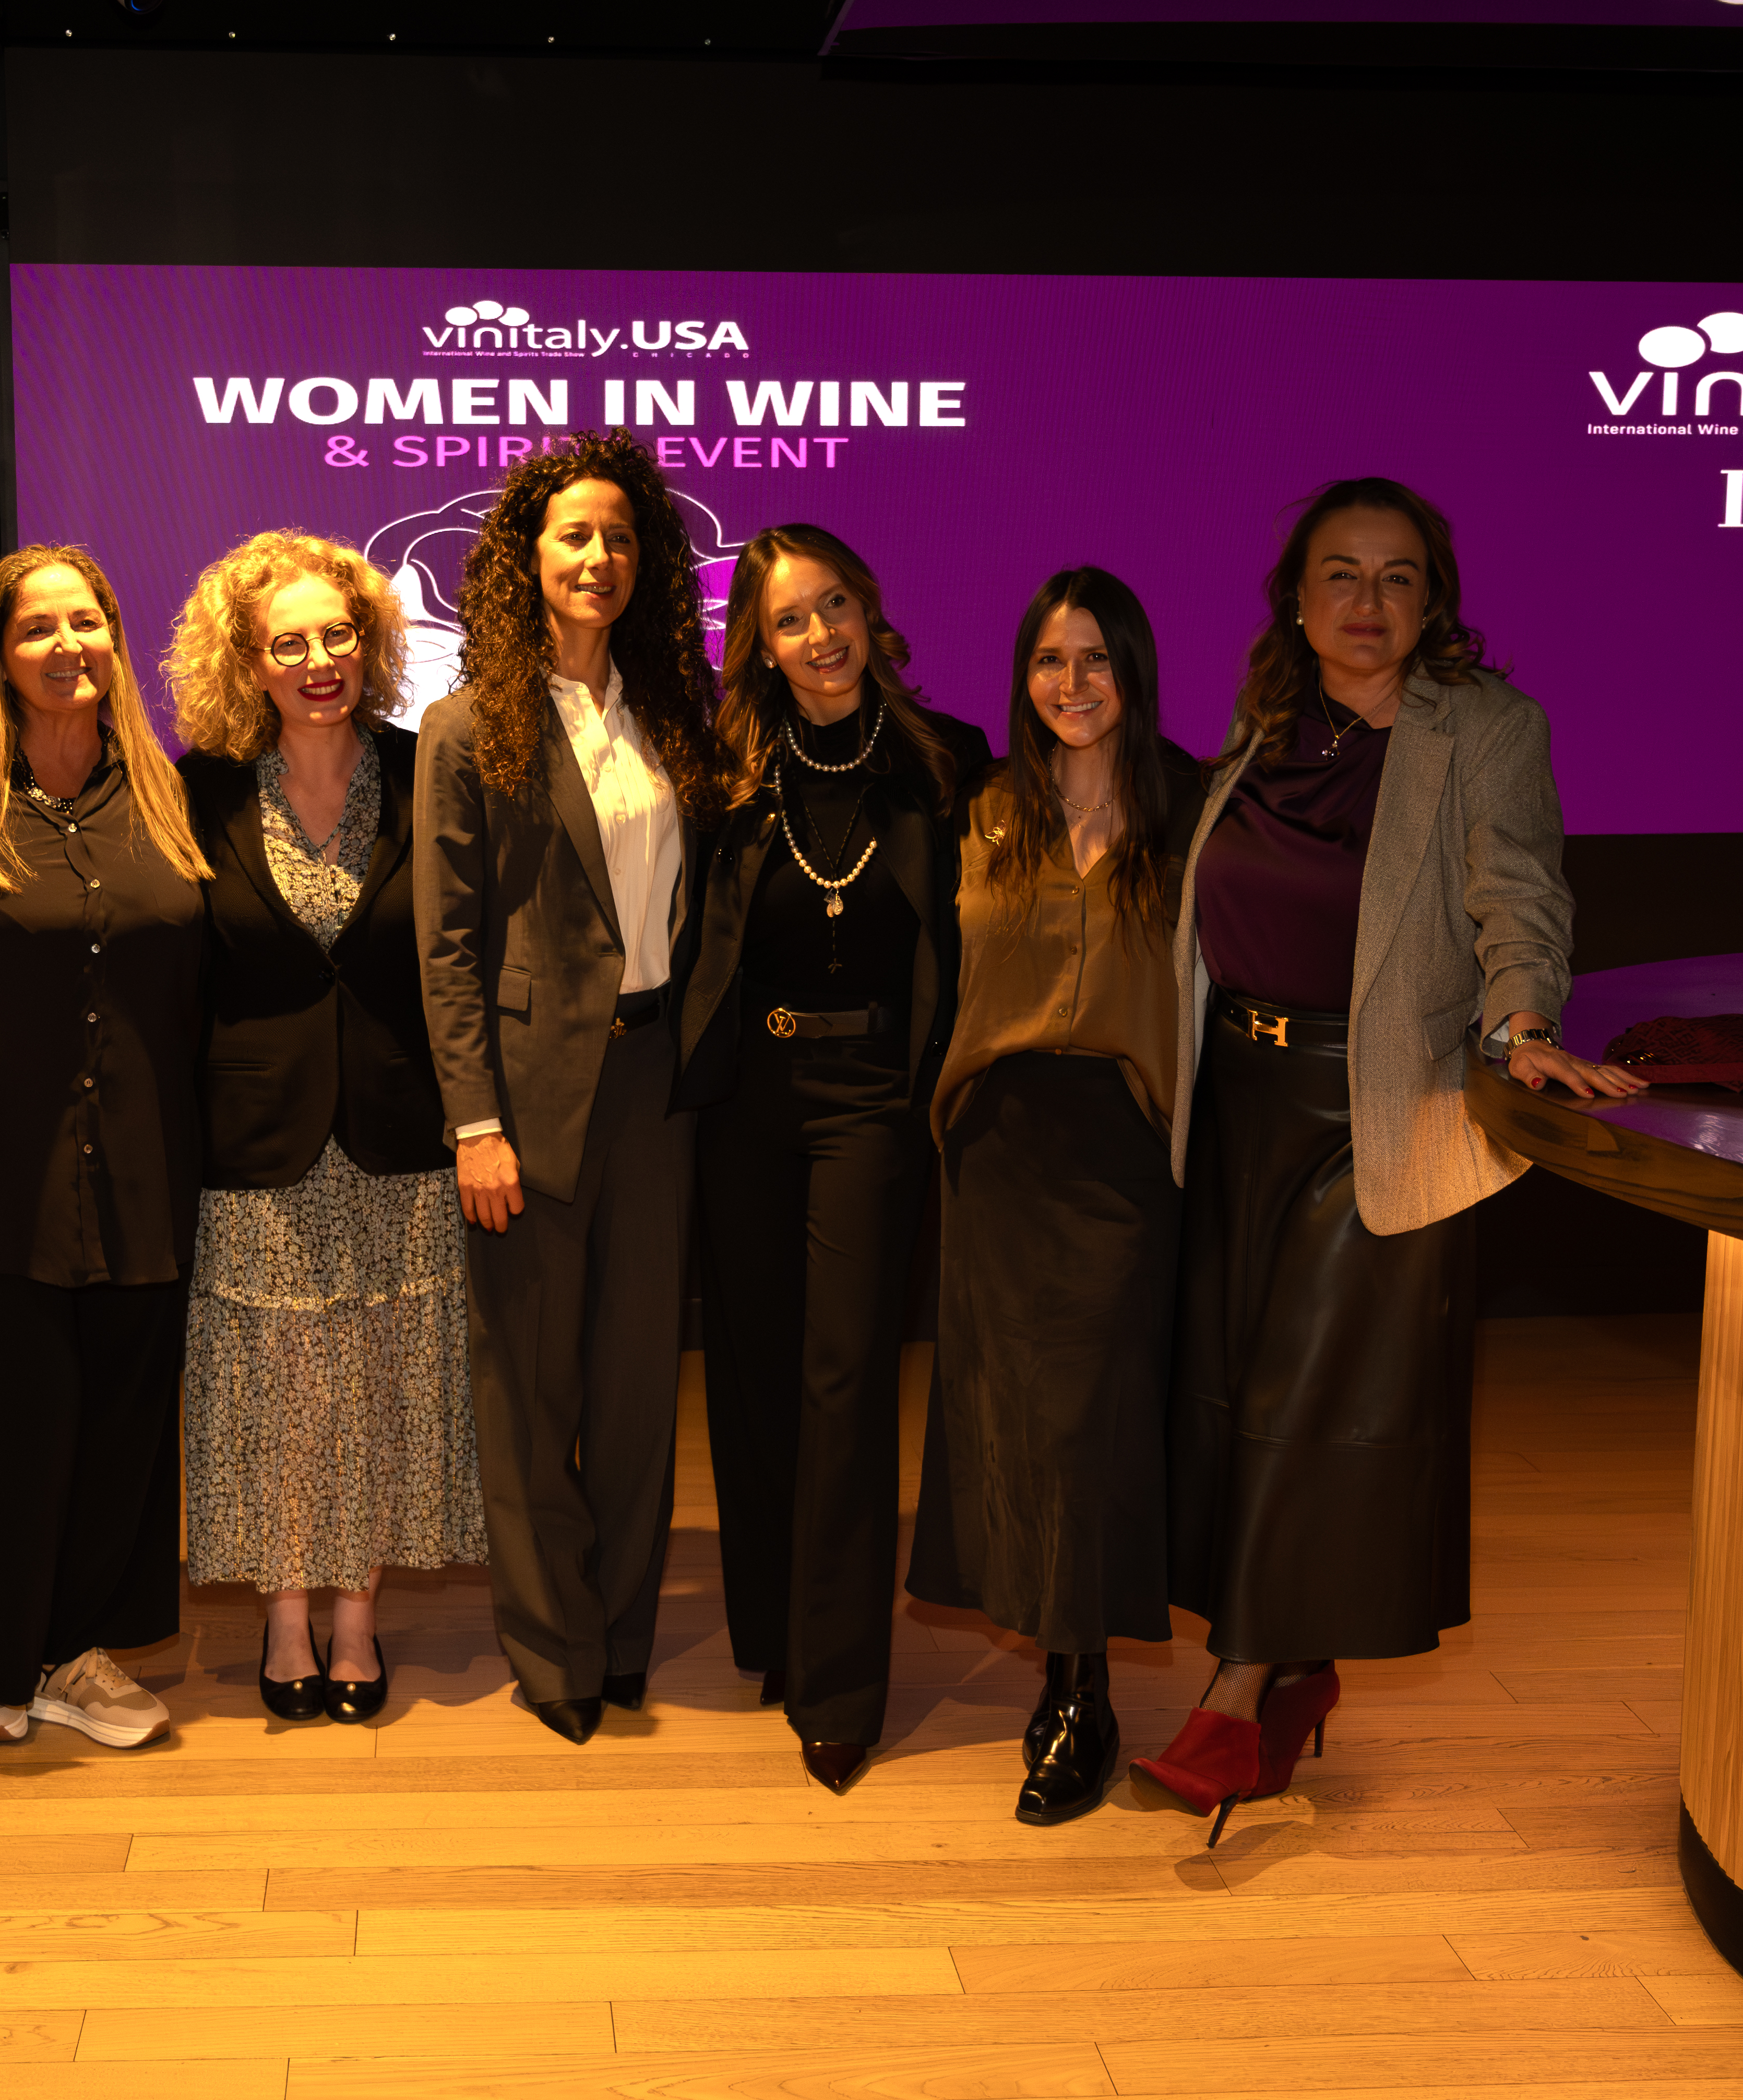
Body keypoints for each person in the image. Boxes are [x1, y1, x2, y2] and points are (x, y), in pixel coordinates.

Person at [1141, 477, 1645, 1842]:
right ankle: (1299, 1665)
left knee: (1311, 1401)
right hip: (1235, 1107)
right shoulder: (1262, 732)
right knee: (1244, 1397)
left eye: (1400, 578)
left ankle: (1243, 1688)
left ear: (1436, 602)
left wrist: (1523, 1018)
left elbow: (1521, 896)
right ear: (1296, 601)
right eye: (1343, 577)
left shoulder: (1486, 729)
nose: (1370, 605)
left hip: (1379, 1110)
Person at [415, 431, 730, 1744]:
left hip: (660, 1083)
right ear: (525, 560)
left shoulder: (676, 713)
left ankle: (619, 1636)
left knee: (634, 1386)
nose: (598, 557)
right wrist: (475, 1121)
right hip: (530, 1099)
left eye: (617, 536)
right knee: (530, 1386)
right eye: (571, 536)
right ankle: (554, 1654)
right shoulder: (467, 723)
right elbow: (447, 946)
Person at [676, 524, 986, 1794]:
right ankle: (776, 1632)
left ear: (872, 610)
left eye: (838, 604)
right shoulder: (724, 767)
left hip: (874, 1099)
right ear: (758, 640)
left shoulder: (945, 760)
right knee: (753, 1372)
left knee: (845, 1379)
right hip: (748, 1098)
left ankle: (844, 1683)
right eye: (791, 618)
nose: (820, 634)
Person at [168, 531, 482, 1726]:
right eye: (287, 641)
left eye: (337, 635)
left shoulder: (424, 774)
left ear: (370, 642)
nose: (317, 660)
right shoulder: (196, 787)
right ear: (248, 661)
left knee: (383, 1382)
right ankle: (284, 1610)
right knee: (272, 1385)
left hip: (401, 1136)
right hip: (253, 1142)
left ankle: (357, 1616)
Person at [906, 566, 1203, 1825]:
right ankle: (1065, 1675)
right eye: (1048, 661)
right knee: (1014, 1420)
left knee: (1091, 1420)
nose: (1071, 685)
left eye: (1095, 660)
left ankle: (1081, 1683)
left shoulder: (1196, 811)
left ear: (1132, 670)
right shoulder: (981, 811)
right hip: (996, 1149)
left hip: (1123, 1149)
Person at [0, 543, 207, 1756]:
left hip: (146, 1172)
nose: (66, 646)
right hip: (1, 1182)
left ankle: (77, 1651)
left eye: (85, 621)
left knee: (124, 1431)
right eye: (36, 627)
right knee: (9, 1431)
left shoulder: (169, 794)